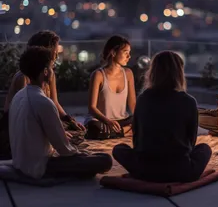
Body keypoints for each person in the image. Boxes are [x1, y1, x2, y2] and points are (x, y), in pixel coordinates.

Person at [9, 46, 112, 179]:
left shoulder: (19, 96)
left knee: (89, 155)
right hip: (40, 167)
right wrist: (81, 154)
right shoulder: (43, 102)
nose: (53, 71)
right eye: (51, 67)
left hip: (21, 163)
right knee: (104, 160)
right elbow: (64, 150)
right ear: (45, 71)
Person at [113, 51, 212, 183]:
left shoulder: (143, 99)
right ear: (179, 73)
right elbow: (191, 142)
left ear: (153, 72)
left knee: (119, 149)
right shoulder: (189, 101)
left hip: (145, 170)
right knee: (204, 148)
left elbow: (136, 138)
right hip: (181, 171)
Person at [1, 31, 84, 159]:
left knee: (76, 131)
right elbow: (27, 113)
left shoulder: (49, 75)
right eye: (55, 52)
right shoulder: (24, 78)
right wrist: (57, 132)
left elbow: (54, 103)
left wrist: (69, 120)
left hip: (40, 121)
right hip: (21, 128)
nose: (56, 56)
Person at [85, 35, 136, 139]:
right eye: (126, 53)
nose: (129, 56)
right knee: (94, 128)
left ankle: (118, 132)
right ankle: (124, 132)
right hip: (101, 120)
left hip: (122, 120)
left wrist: (140, 120)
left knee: (139, 121)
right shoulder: (98, 75)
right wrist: (108, 121)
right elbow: (92, 108)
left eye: (129, 53)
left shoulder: (128, 73)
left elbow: (133, 103)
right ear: (113, 52)